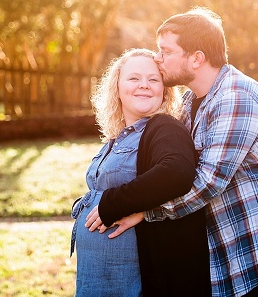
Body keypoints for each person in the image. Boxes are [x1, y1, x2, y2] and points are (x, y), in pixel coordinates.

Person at [86, 7, 258, 297]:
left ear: (197, 58)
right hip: (234, 262)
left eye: (166, 51)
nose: (158, 59)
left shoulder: (236, 96)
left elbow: (208, 182)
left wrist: (145, 212)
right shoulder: (190, 103)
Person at [71, 48, 211, 297]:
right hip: (97, 276)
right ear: (117, 88)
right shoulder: (118, 138)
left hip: (130, 278)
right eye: (134, 78)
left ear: (164, 91)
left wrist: (111, 204)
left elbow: (176, 172)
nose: (144, 85)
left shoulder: (164, 128)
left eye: (153, 79)